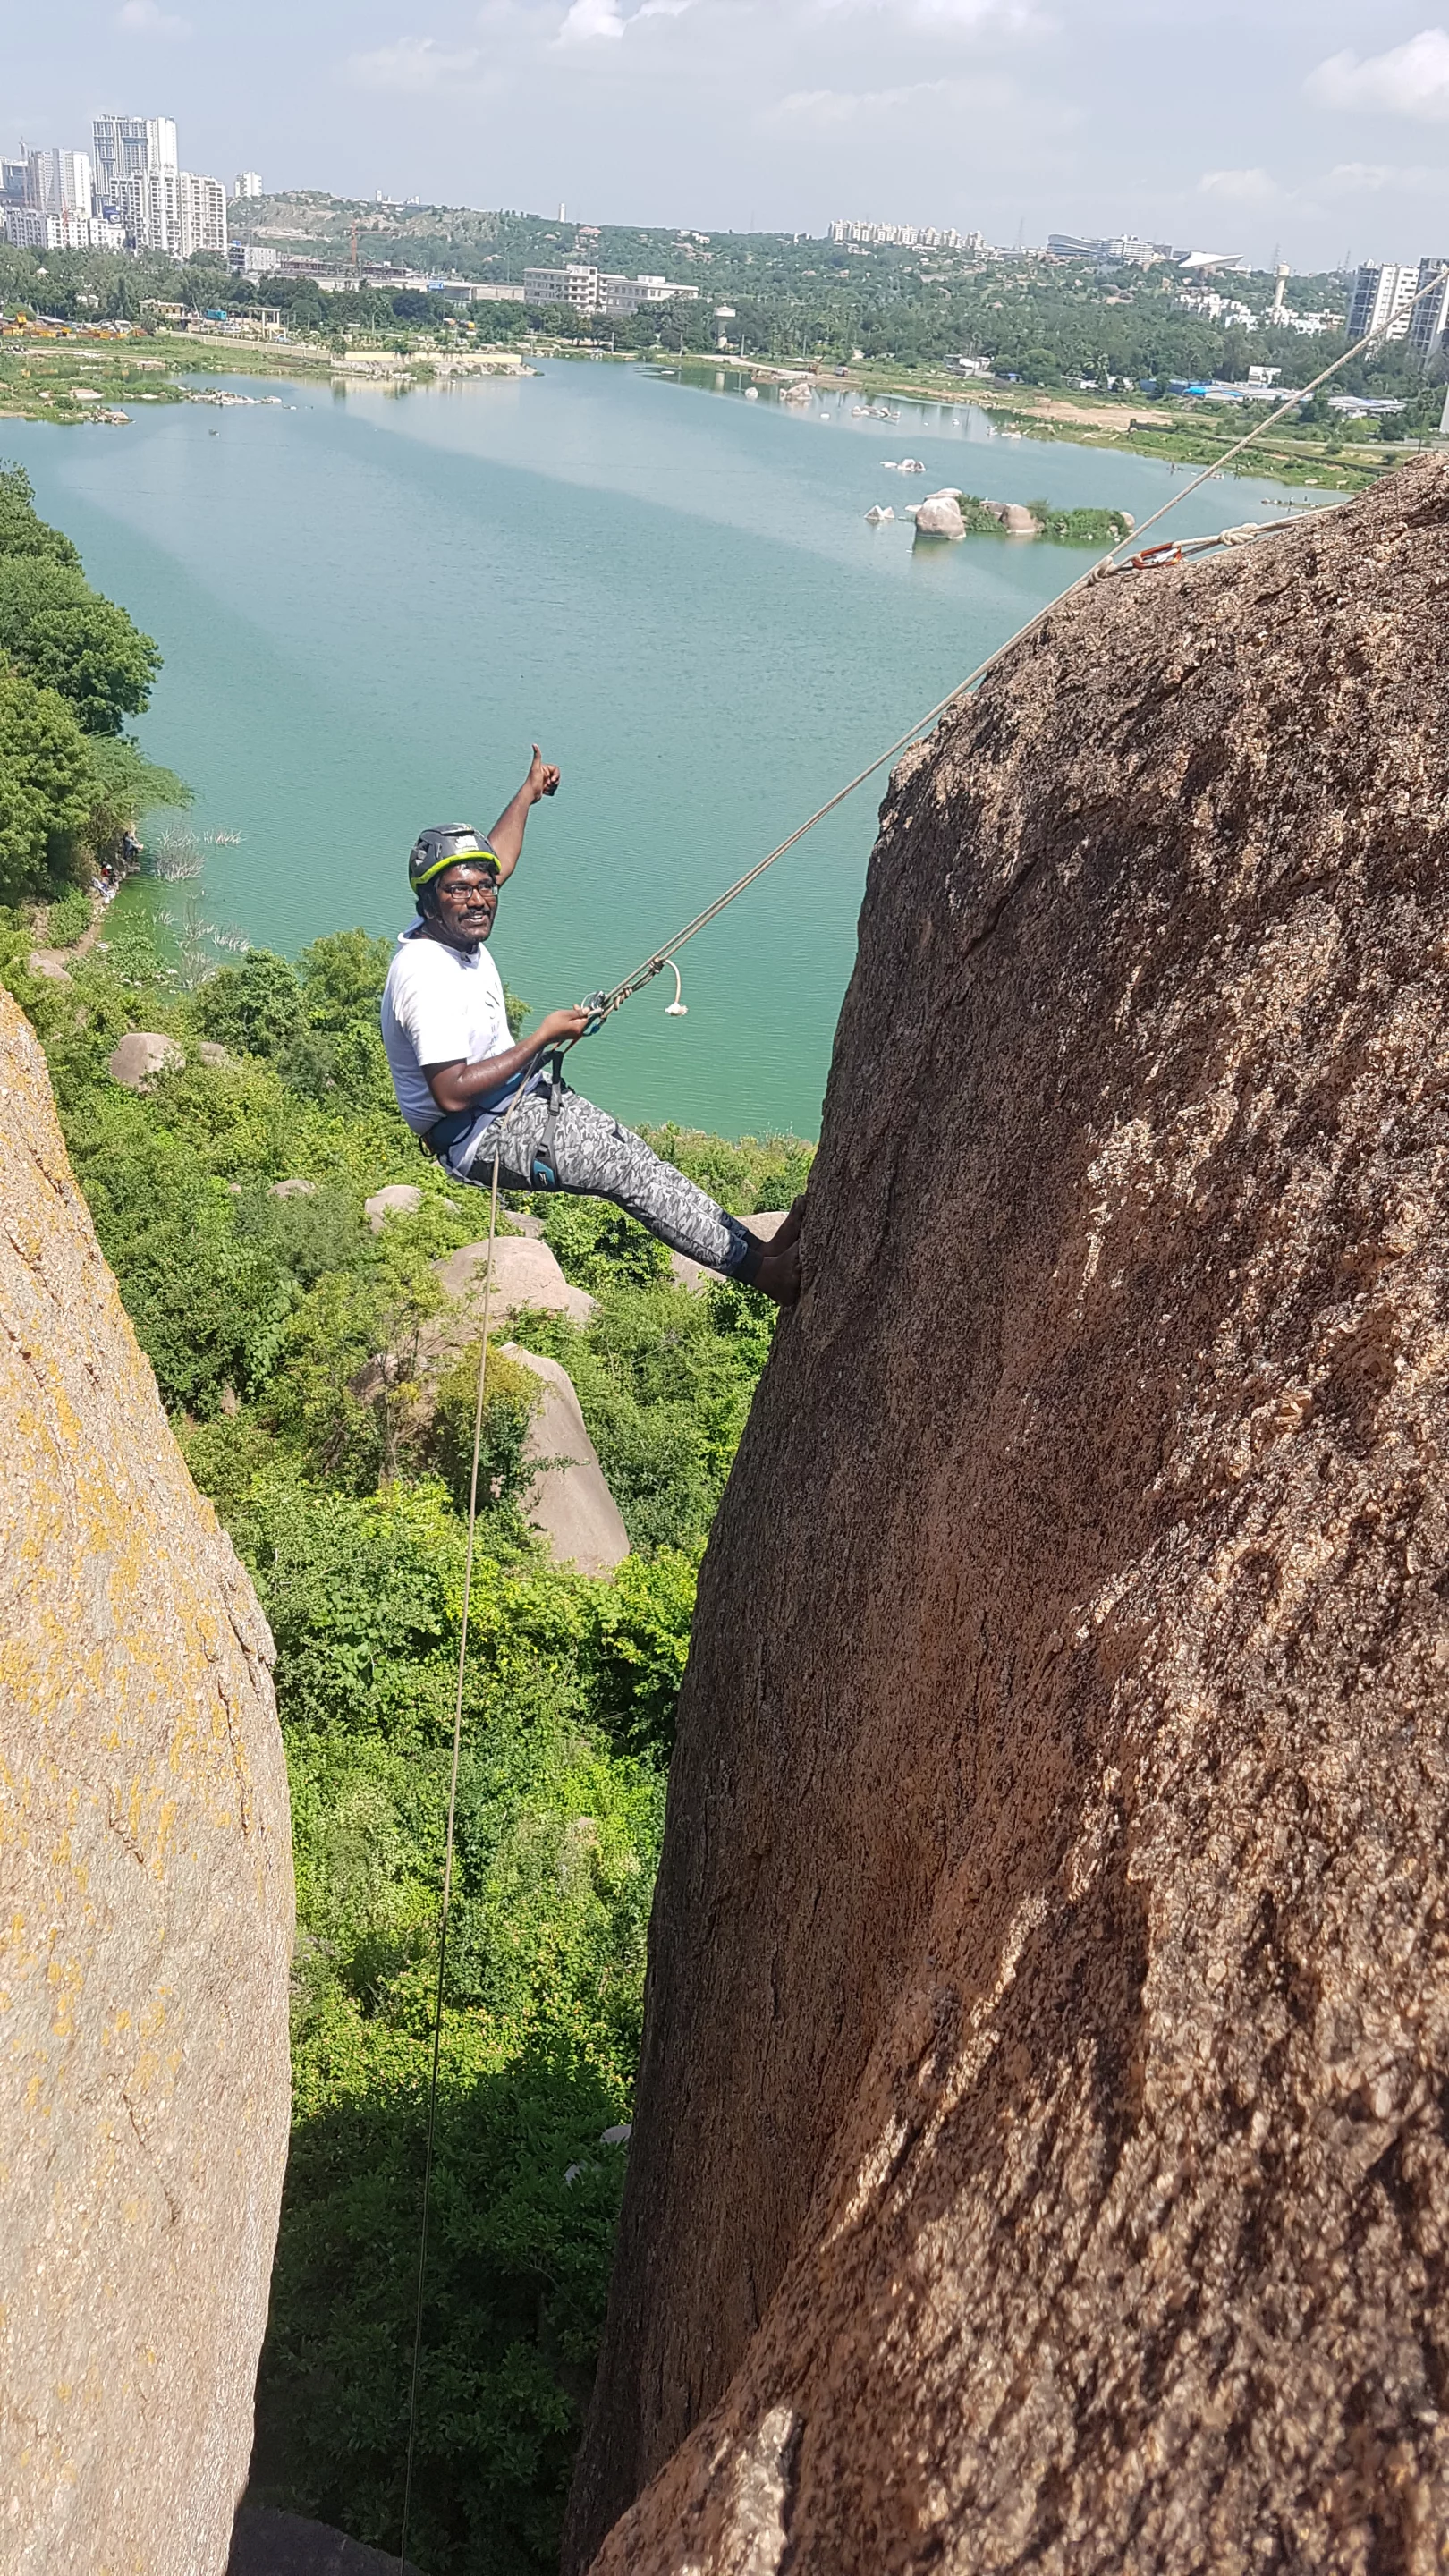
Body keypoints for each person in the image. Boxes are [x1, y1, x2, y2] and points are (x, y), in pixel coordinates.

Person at [379, 747, 802, 1305]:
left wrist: (528, 794)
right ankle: (766, 1276)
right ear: (429, 899)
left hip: (519, 1097)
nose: (480, 899)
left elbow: (498, 859)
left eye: (486, 888)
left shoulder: (454, 926)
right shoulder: (424, 977)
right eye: (459, 890)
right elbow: (450, 1092)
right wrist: (541, 1038)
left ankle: (760, 1251)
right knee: (625, 1175)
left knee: (638, 1156)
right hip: (479, 1132)